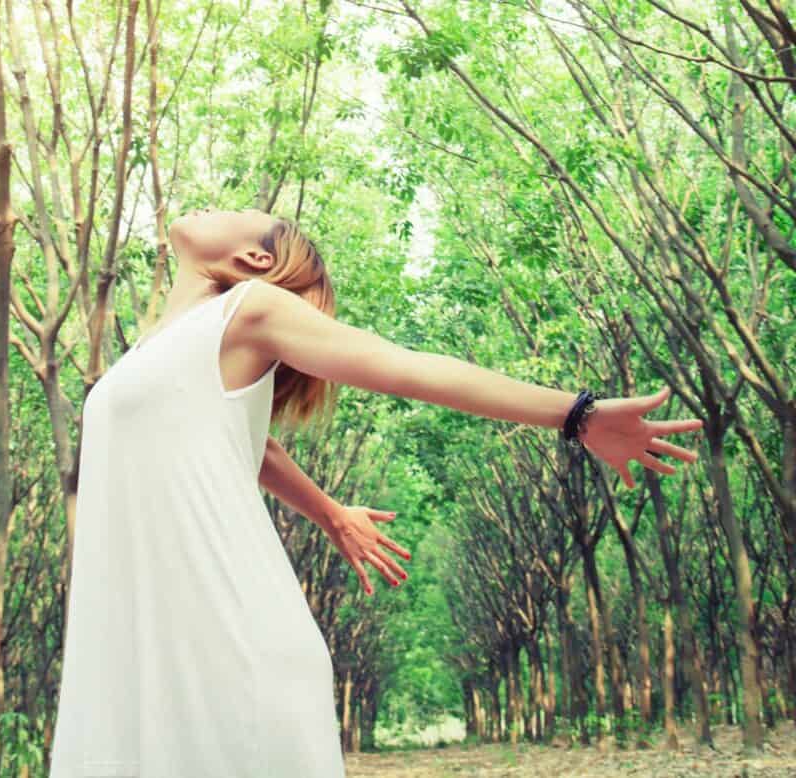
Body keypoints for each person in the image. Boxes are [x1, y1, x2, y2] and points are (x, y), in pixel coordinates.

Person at [48, 206, 702, 777]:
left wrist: (577, 414)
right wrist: (328, 512)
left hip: (227, 644)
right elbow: (244, 443)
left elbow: (405, 368)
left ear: (253, 256)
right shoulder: (155, 351)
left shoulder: (248, 309)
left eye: (238, 210)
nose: (212, 207)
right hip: (157, 644)